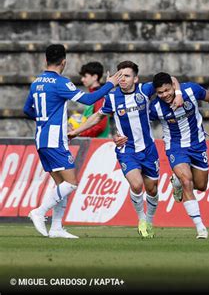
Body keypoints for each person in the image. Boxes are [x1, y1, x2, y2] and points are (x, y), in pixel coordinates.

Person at [68, 61, 183, 238]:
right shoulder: (112, 98)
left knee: (152, 189)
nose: (123, 79)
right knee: (136, 185)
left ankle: (150, 221)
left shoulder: (144, 91)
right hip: (126, 149)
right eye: (120, 75)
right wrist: (75, 132)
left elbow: (171, 79)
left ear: (135, 78)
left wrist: (178, 94)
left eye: (127, 76)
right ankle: (141, 220)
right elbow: (98, 117)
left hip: (148, 149)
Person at [115, 72, 209, 239]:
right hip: (175, 147)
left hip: (197, 144)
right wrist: (118, 135)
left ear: (173, 86)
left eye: (167, 90)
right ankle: (201, 228)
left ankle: (175, 182)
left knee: (201, 185)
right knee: (187, 181)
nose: (165, 95)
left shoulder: (190, 91)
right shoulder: (155, 107)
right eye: (160, 92)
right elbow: (135, 121)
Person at [23, 44, 122, 238]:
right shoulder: (61, 82)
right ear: (64, 62)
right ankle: (39, 211)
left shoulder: (36, 83)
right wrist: (110, 84)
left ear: (45, 60)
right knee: (71, 183)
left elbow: (27, 110)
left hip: (41, 139)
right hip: (55, 140)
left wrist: (44, 118)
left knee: (61, 184)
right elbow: (88, 99)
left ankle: (57, 228)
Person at [78, 61, 111, 138]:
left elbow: (100, 126)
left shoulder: (100, 97)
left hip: (97, 145)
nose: (82, 79)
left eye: (85, 76)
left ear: (95, 77)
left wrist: (79, 133)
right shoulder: (94, 95)